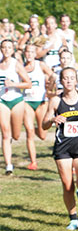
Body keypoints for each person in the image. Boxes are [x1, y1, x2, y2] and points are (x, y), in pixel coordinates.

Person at [42, 67, 78, 229]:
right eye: (65, 78)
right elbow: (44, 125)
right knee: (67, 185)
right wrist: (53, 119)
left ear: (76, 80)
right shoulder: (56, 101)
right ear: (61, 80)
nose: (68, 81)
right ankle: (73, 218)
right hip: (63, 148)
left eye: (72, 78)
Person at [21, 43, 55, 168]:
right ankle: (33, 162)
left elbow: (53, 76)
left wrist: (49, 89)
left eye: (31, 52)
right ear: (24, 53)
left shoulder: (40, 65)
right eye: (27, 52)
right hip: (27, 102)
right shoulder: (22, 68)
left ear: (35, 54)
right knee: (29, 132)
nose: (29, 54)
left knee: (42, 135)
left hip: (41, 102)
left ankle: (34, 129)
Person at [0, 39, 31, 174]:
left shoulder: (16, 64)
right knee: (5, 134)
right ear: (1, 49)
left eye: (9, 47)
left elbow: (28, 84)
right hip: (2, 101)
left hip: (17, 100)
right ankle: (9, 166)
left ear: (13, 50)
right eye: (4, 47)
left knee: (16, 135)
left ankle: (14, 137)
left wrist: (14, 84)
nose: (6, 50)